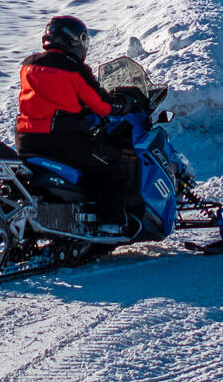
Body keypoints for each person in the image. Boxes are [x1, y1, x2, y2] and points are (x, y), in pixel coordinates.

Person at [15, 15, 134, 225]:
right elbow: (101, 105)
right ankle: (112, 223)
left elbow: (52, 96)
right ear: (73, 40)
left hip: (27, 141)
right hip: (63, 142)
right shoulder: (73, 68)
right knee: (113, 163)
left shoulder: (29, 64)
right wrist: (122, 104)